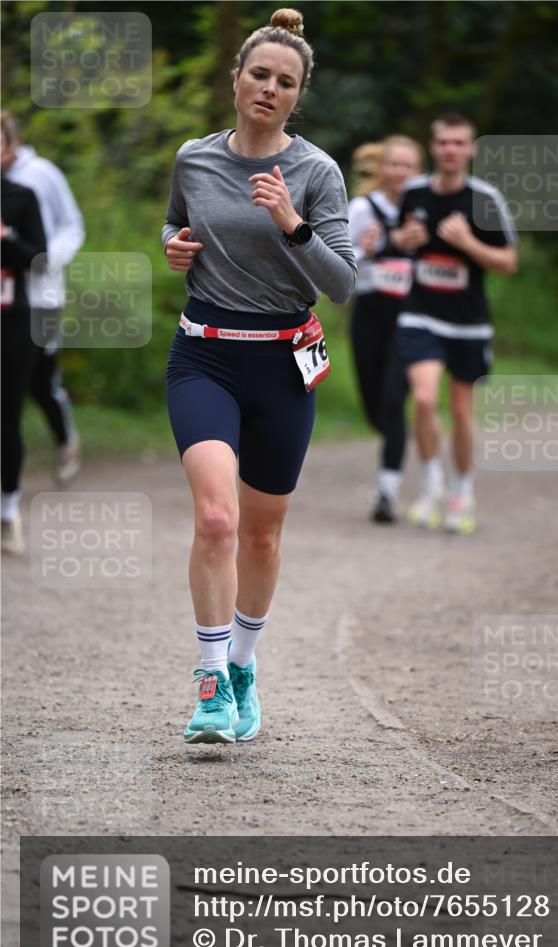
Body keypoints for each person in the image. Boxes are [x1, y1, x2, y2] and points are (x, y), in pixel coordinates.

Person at [162, 8, 356, 745]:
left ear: (296, 95)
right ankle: (210, 683)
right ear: (236, 78)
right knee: (217, 518)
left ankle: (244, 666)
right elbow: (176, 223)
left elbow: (340, 282)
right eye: (259, 75)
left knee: (263, 538)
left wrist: (291, 224)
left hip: (281, 364)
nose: (269, 89)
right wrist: (175, 246)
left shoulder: (314, 172)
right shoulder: (194, 158)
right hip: (204, 355)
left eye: (285, 82)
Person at [390, 112, 518, 534]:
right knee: (424, 399)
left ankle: (463, 491)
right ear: (433, 146)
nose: (451, 150)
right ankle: (431, 487)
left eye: (459, 143)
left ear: (472, 149)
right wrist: (401, 241)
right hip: (421, 313)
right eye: (444, 142)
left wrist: (467, 242)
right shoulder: (413, 192)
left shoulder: (485, 199)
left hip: (469, 323)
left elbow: (508, 263)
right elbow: (399, 239)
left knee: (462, 411)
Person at [1, 112, 85, 486]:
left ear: (13, 142)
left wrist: (47, 261)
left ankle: (65, 439)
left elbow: (72, 225)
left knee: (41, 378)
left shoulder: (42, 174)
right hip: (7, 298)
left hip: (43, 294)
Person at [348, 135, 424, 523]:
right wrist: (374, 247)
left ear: (418, 171)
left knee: (394, 401)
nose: (399, 172)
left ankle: (386, 495)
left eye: (407, 165)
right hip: (370, 312)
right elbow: (340, 263)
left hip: (413, 316)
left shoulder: (427, 210)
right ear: (382, 168)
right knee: (375, 407)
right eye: (393, 164)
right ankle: (396, 438)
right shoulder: (363, 208)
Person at [1, 173, 47, 553]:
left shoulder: (21, 196)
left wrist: (6, 237)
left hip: (11, 325)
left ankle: (9, 510)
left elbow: (40, 259)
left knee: (6, 418)